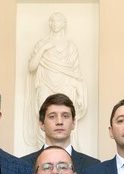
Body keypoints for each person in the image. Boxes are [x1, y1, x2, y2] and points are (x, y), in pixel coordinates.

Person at [23, 13, 88, 150]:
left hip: (66, 85)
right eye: (52, 20)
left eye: (58, 20)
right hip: (45, 85)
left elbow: (75, 73)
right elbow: (32, 66)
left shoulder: (70, 47)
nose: (54, 23)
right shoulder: (41, 44)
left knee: (64, 117)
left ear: (63, 24)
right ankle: (43, 154)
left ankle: (67, 154)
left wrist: (81, 93)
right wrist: (44, 48)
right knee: (46, 116)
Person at [21, 93, 100, 174]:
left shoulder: (93, 166)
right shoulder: (23, 165)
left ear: (73, 123)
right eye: (52, 116)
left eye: (65, 116)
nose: (59, 122)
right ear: (42, 124)